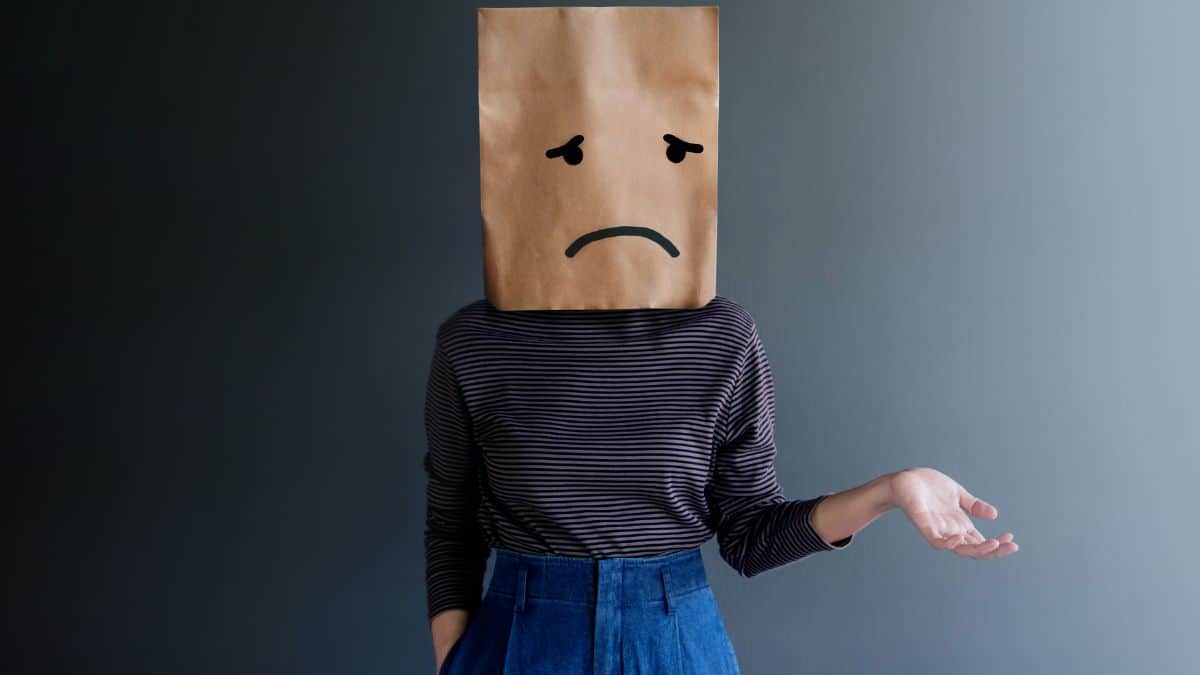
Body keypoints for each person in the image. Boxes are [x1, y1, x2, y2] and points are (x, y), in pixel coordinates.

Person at [425, 8, 1017, 673]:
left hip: (675, 639)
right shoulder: (474, 341)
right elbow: (451, 525)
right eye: (573, 152)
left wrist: (889, 490)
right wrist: (456, 656)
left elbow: (750, 534)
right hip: (518, 638)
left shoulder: (720, 335)